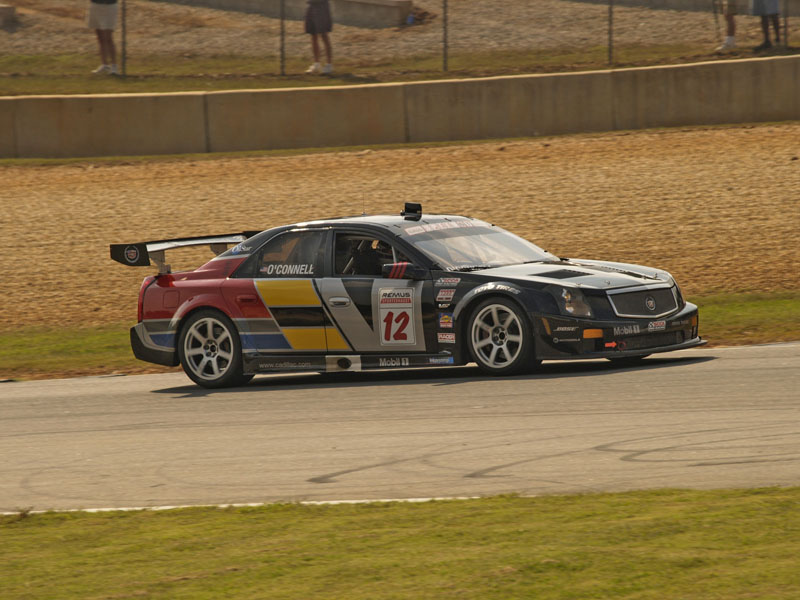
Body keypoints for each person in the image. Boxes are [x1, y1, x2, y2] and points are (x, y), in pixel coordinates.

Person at [88, 0, 119, 75]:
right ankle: (104, 64)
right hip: (96, 5)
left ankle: (114, 66)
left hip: (109, 5)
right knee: (100, 37)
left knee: (108, 38)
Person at [305, 0, 333, 75]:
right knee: (313, 35)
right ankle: (316, 64)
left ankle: (329, 64)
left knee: (324, 35)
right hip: (311, 4)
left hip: (321, 5)